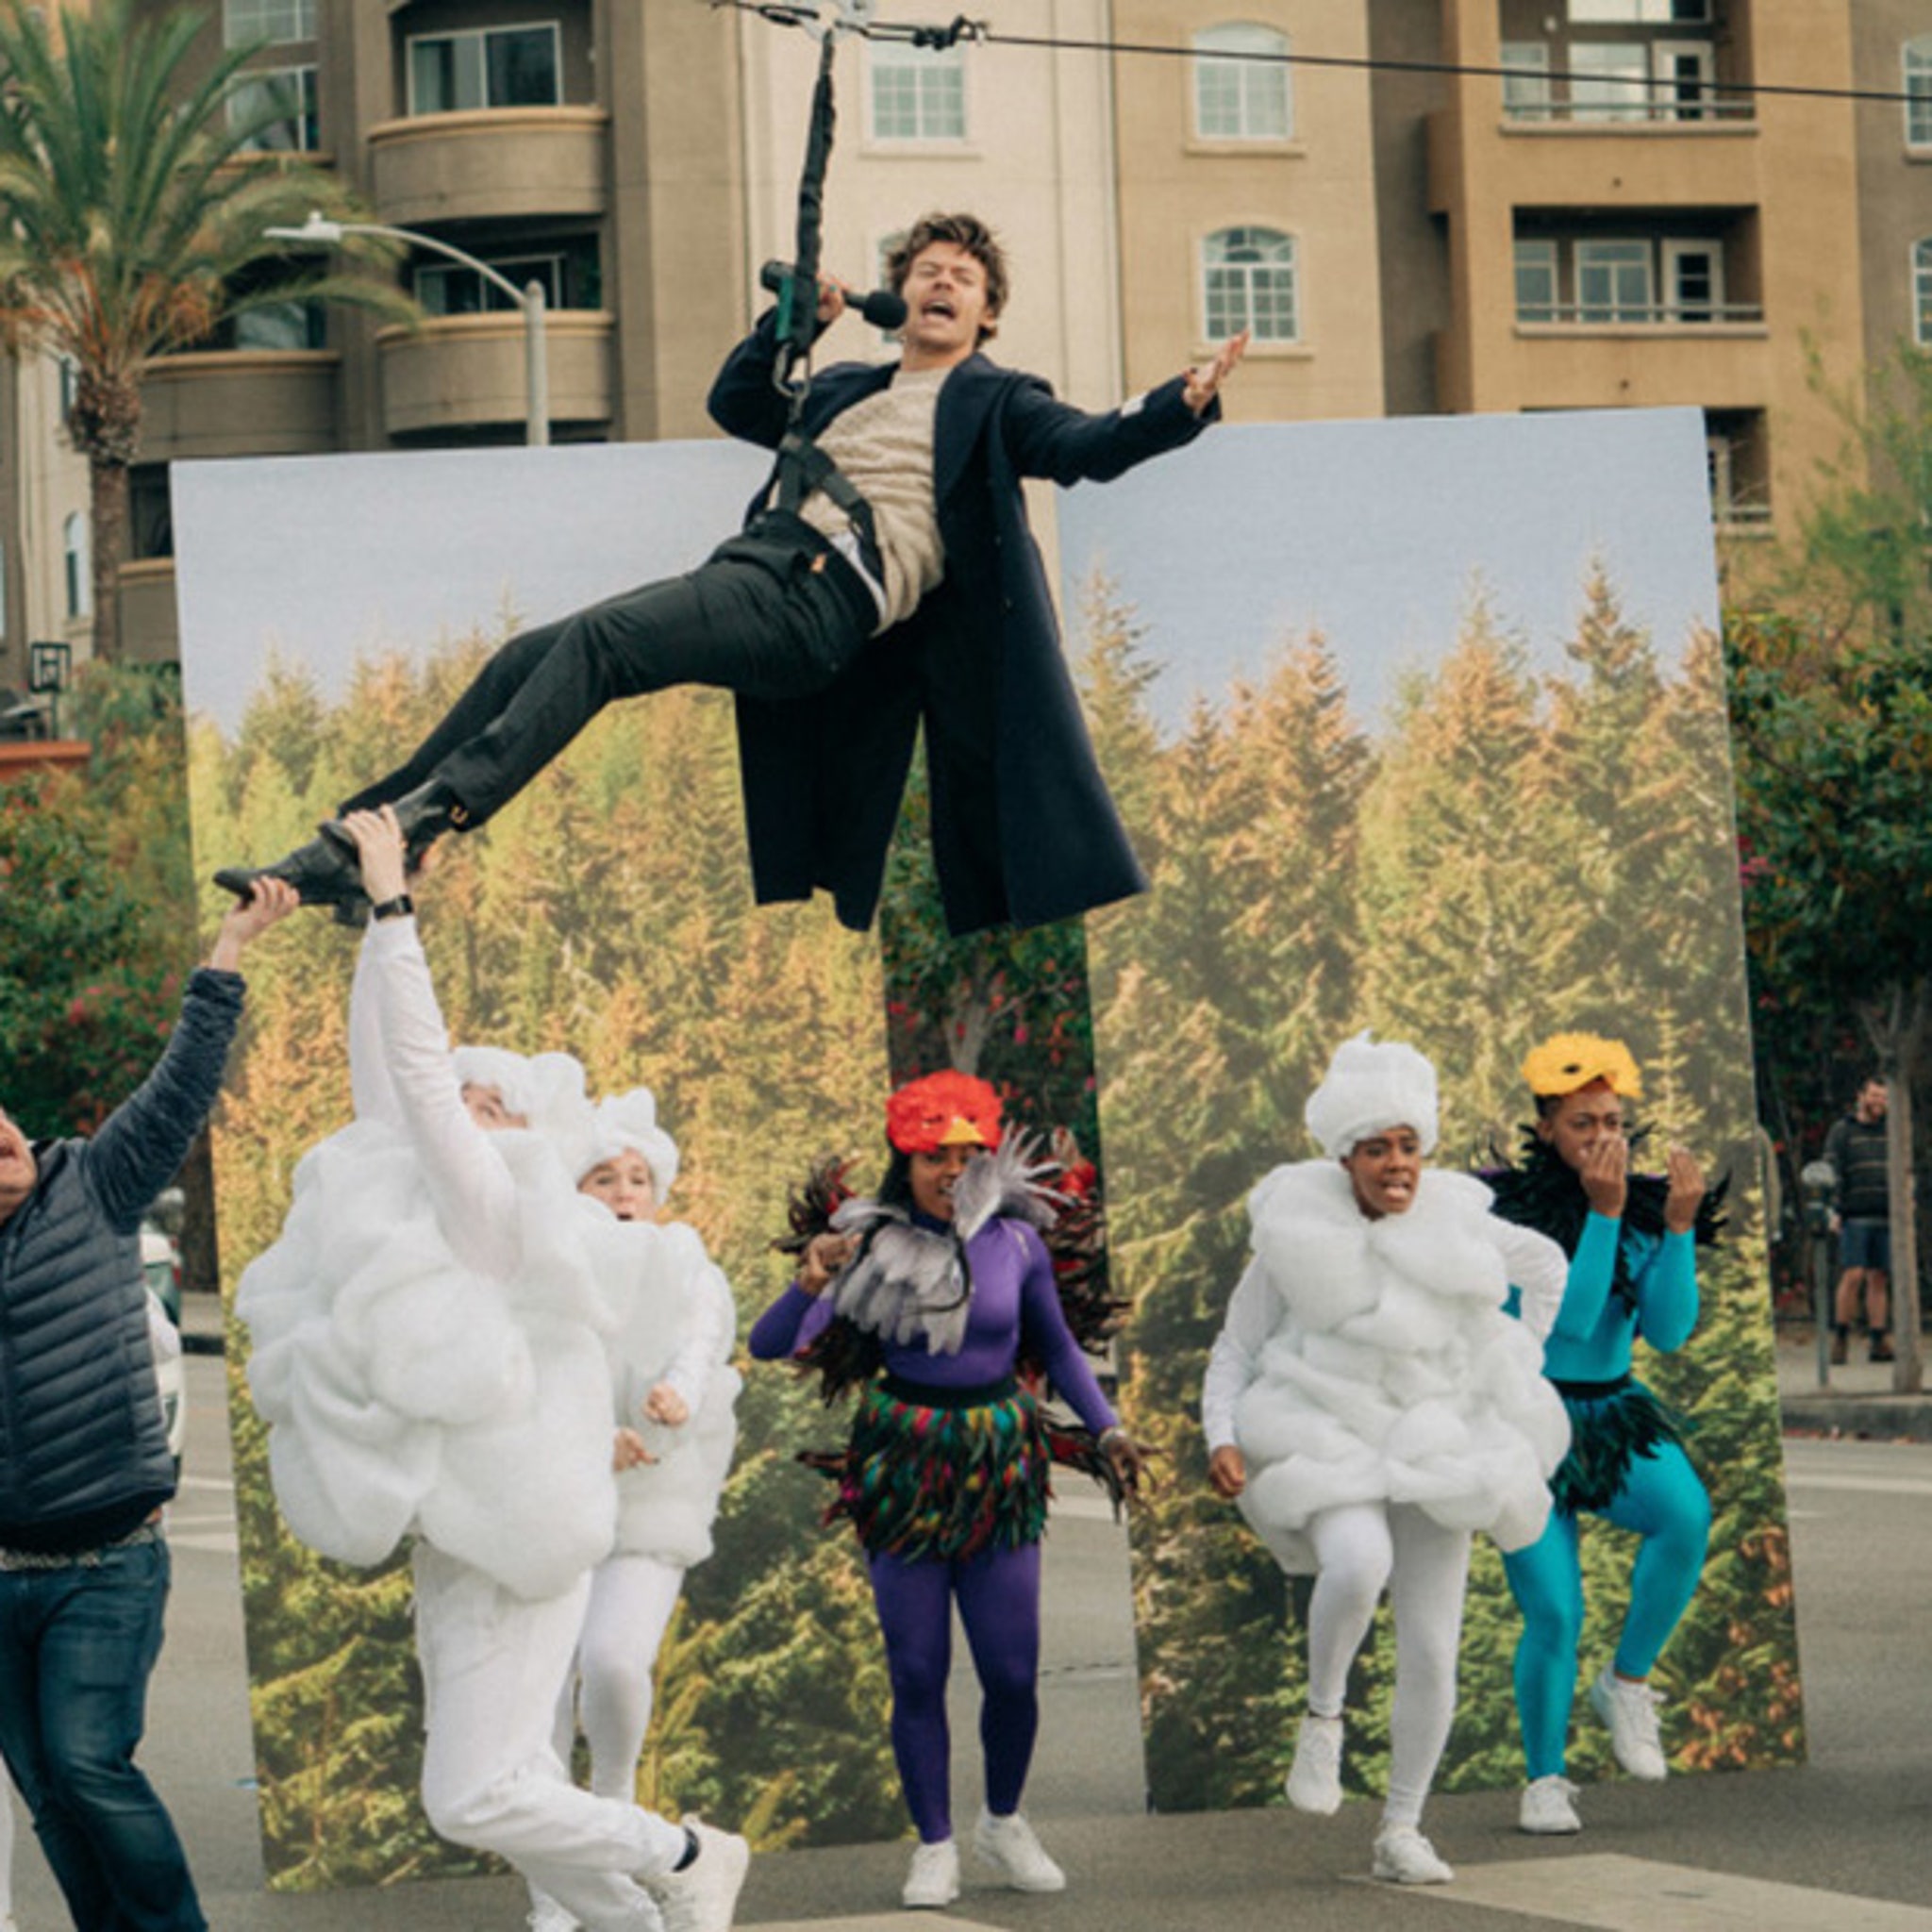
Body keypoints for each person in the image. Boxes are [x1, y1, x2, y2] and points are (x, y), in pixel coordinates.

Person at [216, 212, 1248, 938]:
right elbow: (738, 400)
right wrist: (792, 324)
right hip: (757, 569)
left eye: (962, 278)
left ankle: (424, 821)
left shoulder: (998, 403)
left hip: (821, 601)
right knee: (528, 653)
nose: (940, 283)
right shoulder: (844, 384)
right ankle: (356, 846)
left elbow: (1089, 445)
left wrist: (1181, 402)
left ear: (984, 315)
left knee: (604, 645)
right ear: (900, 294)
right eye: (925, 268)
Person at [237, 807, 747, 1932]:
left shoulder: (494, 1206)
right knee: (507, 1797)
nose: (465, 1106)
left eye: (491, 1103)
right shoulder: (411, 1198)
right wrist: (363, 928)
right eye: (465, 1098)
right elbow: (389, 1079)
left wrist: (392, 902)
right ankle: (635, 1917)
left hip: (522, 1541)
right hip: (467, 1534)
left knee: (472, 1793)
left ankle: (685, 1849)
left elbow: (418, 1074)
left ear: (523, 1132)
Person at [747, 1072, 1142, 1910]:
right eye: (934, 1156)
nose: (951, 1171)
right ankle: (934, 1844)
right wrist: (812, 1279)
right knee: (917, 1669)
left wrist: (1105, 1425)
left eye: (968, 1155)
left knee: (1011, 1671)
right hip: (904, 1462)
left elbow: (1061, 1350)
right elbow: (772, 1343)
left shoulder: (1017, 1246)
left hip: (996, 1460)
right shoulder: (867, 1247)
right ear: (907, 1159)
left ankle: (1003, 1819)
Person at [1201, 1033, 1570, 1888]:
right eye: (1377, 1149)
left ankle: (1402, 1826)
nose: (1396, 1164)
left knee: (1434, 1649)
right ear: (1345, 1157)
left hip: (1438, 1435)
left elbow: (1543, 1265)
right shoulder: (1296, 1229)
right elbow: (1236, 1345)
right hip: (1325, 1428)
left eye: (1407, 1145)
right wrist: (1221, 1433)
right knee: (1359, 1561)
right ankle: (1323, 1716)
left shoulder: (1453, 1213)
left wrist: (1518, 1360)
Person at [0, 876, 298, 1932]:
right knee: (48, 1796)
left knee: (88, 1764)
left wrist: (229, 943)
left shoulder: (94, 1182)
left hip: (105, 1559)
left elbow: (180, 1086)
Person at [1484, 1033, 1716, 1837]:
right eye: (1583, 1123)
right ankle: (1545, 1778)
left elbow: (1670, 1329)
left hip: (1613, 1409)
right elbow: (1566, 1326)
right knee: (1554, 1611)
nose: (1603, 1137)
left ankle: (1627, 1683)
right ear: (1546, 1128)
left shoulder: (1641, 1206)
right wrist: (1605, 1217)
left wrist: (1677, 1230)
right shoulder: (1509, 1216)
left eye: (1613, 1120)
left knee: (1685, 1516)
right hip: (1529, 1417)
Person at [530, 1092, 741, 1932]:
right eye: (604, 1176)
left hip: (651, 1498)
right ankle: (554, 1885)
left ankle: (612, 1810)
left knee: (615, 1662)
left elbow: (701, 1342)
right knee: (540, 1692)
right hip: (549, 1502)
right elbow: (532, 1371)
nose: (624, 1191)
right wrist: (587, 1434)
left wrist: (674, 1398)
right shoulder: (545, 1267)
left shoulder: (688, 1265)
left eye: (638, 1177)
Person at [1824, 1075, 1890, 1365]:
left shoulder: (1891, 1130)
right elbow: (1831, 1171)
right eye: (1874, 1095)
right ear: (1861, 1096)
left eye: (1884, 1097)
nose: (1879, 1102)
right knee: (1853, 1275)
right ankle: (1840, 1336)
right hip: (1854, 1213)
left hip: (1886, 1213)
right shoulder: (1843, 1131)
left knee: (1880, 1277)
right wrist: (1833, 1209)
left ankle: (1878, 1339)